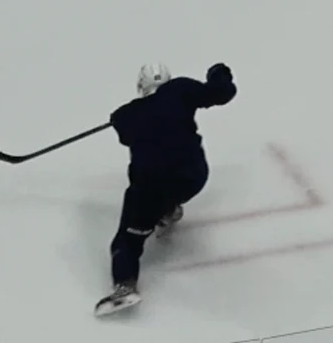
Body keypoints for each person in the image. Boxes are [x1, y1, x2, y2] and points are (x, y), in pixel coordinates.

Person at [96, 61, 238, 316]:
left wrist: (117, 120)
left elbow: (126, 136)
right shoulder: (180, 89)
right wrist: (219, 75)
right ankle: (168, 211)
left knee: (127, 241)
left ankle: (125, 286)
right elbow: (221, 93)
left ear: (141, 86)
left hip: (149, 186)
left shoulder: (126, 114)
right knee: (167, 188)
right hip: (193, 176)